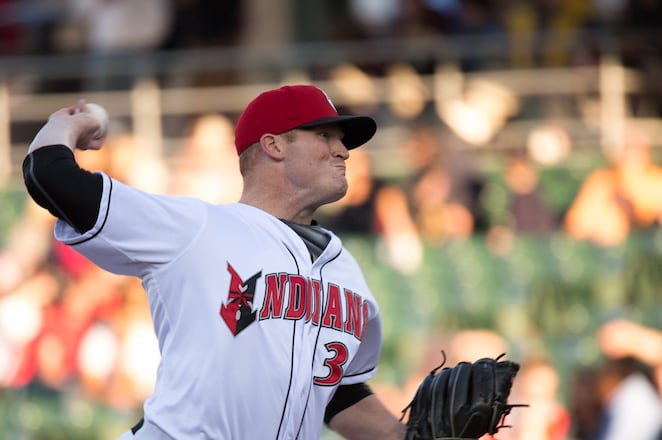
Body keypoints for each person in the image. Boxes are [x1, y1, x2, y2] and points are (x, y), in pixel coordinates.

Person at [22, 84, 404, 439]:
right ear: (274, 145)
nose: (343, 150)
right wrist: (64, 125)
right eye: (325, 135)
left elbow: (334, 392)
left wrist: (407, 436)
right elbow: (49, 175)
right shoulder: (196, 228)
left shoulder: (346, 271)